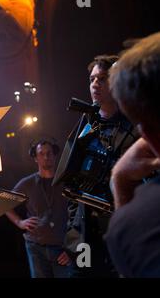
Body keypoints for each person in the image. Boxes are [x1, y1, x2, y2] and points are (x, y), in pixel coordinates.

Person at [63, 55, 138, 277]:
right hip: (84, 230)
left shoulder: (134, 128)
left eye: (102, 79)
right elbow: (70, 177)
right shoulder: (85, 124)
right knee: (81, 273)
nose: (95, 84)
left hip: (119, 226)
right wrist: (72, 231)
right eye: (92, 79)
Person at [104, 31, 160, 277]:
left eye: (100, 79)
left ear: (145, 134)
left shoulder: (136, 225)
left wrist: (120, 180)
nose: (95, 84)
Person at [6, 140, 71, 278]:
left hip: (63, 247)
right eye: (41, 154)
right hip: (36, 247)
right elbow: (5, 203)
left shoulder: (67, 182)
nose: (46, 157)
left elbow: (79, 216)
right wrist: (20, 222)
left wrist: (73, 249)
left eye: (49, 153)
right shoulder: (27, 183)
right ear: (35, 158)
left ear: (55, 156)